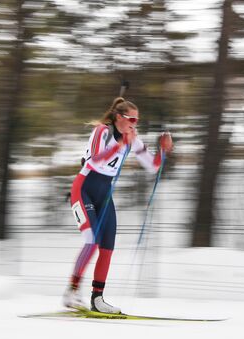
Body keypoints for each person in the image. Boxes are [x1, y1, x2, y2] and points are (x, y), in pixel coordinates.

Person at [63, 97, 173, 314]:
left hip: (104, 194)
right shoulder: (102, 132)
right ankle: (72, 292)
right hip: (83, 189)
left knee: (107, 247)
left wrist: (163, 151)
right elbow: (94, 160)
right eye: (131, 118)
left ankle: (97, 298)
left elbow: (152, 167)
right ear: (118, 117)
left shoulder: (132, 139)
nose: (135, 123)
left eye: (137, 120)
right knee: (91, 241)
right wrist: (120, 145)